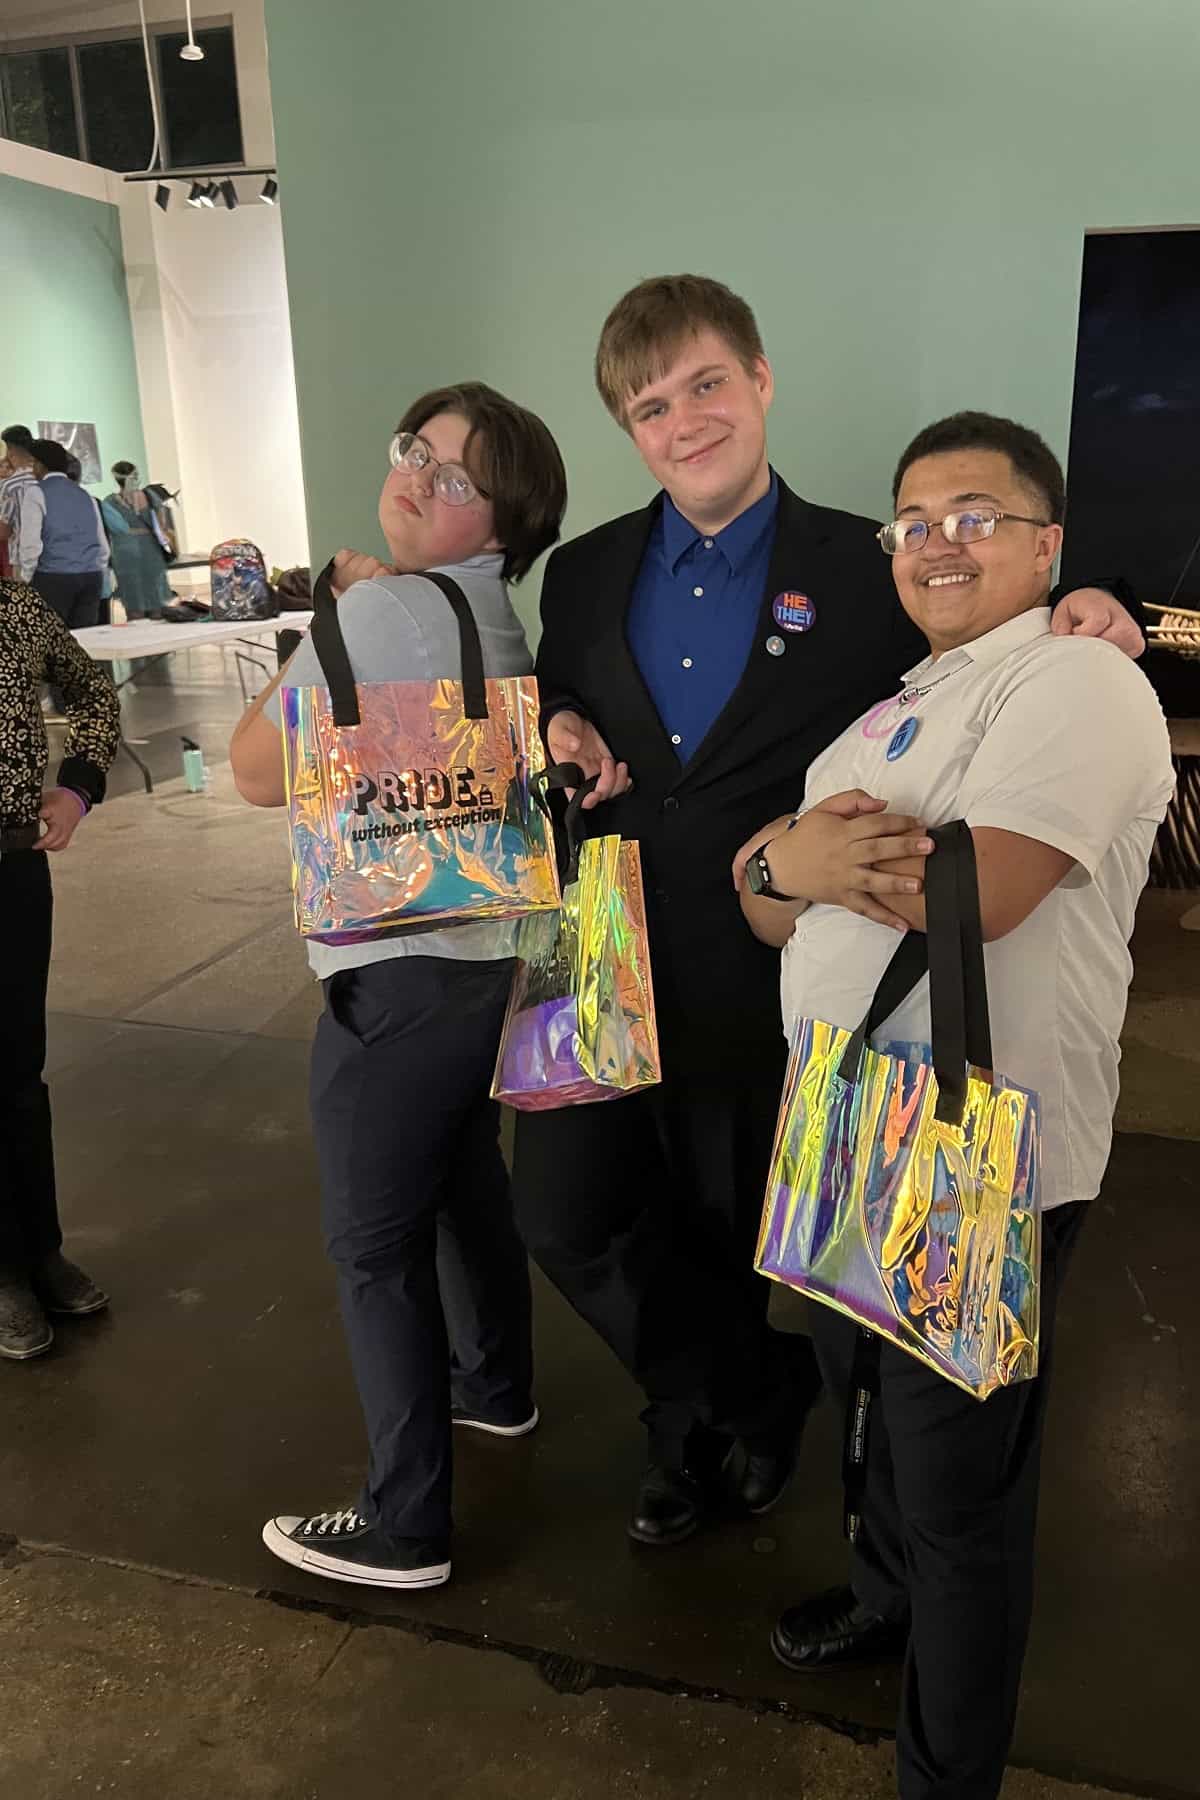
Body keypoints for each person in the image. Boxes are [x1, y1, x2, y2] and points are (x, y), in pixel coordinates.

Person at [512, 273, 1147, 1551]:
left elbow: (976, 650)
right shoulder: (579, 575)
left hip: (777, 951)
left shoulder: (873, 562)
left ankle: (700, 1438)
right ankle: (744, 1390)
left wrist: (1088, 610)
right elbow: (552, 705)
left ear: (758, 381)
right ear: (627, 431)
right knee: (567, 1209)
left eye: (705, 384)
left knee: (737, 1207)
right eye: (650, 405)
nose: (683, 420)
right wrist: (555, 720)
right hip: (595, 940)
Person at [739, 411, 1173, 1800]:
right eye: (912, 521)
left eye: (976, 514)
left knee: (957, 1481)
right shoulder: (887, 707)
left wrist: (805, 858)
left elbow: (977, 890)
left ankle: (947, 1772)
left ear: (1048, 546)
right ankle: (882, 1598)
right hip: (844, 1120)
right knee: (858, 1390)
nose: (938, 541)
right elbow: (756, 900)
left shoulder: (1074, 683)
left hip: (975, 1145)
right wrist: (795, 859)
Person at [230, 383, 568, 1592]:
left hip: (395, 967)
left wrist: (332, 606)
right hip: (486, 963)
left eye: (458, 476)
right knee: (460, 1176)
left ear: (502, 520)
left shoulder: (379, 613)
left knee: (371, 1245)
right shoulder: (498, 622)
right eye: (418, 451)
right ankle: (498, 1387)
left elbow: (255, 772)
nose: (420, 478)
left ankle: (405, 1521)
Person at [0, 577, 120, 1360]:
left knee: (19, 1072)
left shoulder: (16, 608)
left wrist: (78, 789)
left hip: (11, 870)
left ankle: (39, 1248)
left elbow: (93, 691)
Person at [25, 438, 109, 632]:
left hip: (54, 577)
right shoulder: (85, 495)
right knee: (85, 640)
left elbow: (31, 545)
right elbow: (101, 542)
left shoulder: (35, 493)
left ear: (39, 464)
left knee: (53, 641)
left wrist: (27, 578)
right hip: (91, 576)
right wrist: (97, 569)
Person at [100, 463, 172, 620]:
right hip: (151, 553)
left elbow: (117, 529)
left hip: (126, 557)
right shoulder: (152, 497)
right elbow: (163, 526)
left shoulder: (109, 503)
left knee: (134, 609)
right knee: (157, 607)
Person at [0, 425, 42, 584]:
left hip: (23, 559)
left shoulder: (10, 485)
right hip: (51, 558)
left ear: (9, 450)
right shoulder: (45, 477)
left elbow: (4, 531)